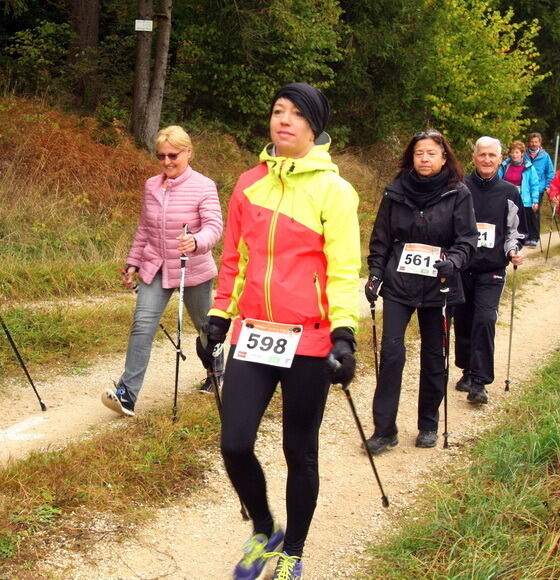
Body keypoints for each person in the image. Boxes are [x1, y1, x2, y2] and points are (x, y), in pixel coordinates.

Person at [202, 83, 360, 580]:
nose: (283, 120)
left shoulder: (335, 190)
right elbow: (235, 260)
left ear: (314, 125)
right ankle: (264, 528)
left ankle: (293, 548)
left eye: (295, 114)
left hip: (310, 341)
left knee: (300, 451)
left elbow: (343, 269)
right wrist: (218, 316)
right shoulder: (249, 184)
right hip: (255, 333)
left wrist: (344, 334)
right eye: (277, 111)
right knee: (234, 443)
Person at [364, 129, 477, 454]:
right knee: (391, 354)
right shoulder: (395, 191)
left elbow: (467, 240)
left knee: (433, 356)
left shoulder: (458, 193)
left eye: (431, 153)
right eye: (419, 153)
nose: (424, 158)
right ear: (411, 158)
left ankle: (428, 424)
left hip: (439, 285)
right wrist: (374, 274)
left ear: (444, 158)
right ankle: (384, 430)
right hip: (400, 283)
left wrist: (453, 261)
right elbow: (381, 237)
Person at [101, 125, 224, 417]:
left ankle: (216, 373)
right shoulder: (152, 185)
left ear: (188, 152)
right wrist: (133, 262)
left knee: (206, 328)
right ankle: (126, 394)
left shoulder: (203, 185)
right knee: (142, 325)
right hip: (155, 266)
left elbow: (214, 227)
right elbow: (145, 228)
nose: (167, 161)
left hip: (191, 268)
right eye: (161, 156)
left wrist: (196, 241)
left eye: (173, 155)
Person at [455, 137, 524, 404]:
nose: (486, 160)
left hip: (492, 269)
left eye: (491, 155)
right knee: (463, 320)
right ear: (473, 158)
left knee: (485, 319)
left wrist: (512, 250)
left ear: (500, 158)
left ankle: (480, 382)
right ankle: (467, 369)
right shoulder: (460, 187)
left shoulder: (509, 191)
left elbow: (515, 230)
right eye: (481, 155)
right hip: (462, 267)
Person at [498, 140, 542, 245]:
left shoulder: (529, 167)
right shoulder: (505, 165)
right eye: (512, 152)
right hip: (506, 196)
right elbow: (498, 179)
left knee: (522, 220)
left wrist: (535, 200)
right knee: (507, 218)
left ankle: (522, 239)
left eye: (517, 152)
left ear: (522, 153)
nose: (514, 155)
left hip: (523, 197)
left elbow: (534, 185)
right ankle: (505, 237)